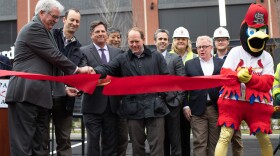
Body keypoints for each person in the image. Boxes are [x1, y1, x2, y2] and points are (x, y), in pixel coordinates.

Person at [5, 0, 93, 155]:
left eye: (58, 17)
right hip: (25, 95)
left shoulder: (46, 32)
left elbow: (51, 67)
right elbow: (55, 56)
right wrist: (78, 70)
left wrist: (64, 89)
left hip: (41, 98)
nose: (56, 20)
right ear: (41, 13)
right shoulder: (34, 28)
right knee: (23, 147)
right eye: (53, 16)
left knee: (40, 148)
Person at [93, 27, 170, 156]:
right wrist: (93, 71)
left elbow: (166, 79)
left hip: (156, 109)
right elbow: (107, 68)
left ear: (143, 40)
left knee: (157, 147)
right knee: (137, 148)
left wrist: (160, 97)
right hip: (133, 110)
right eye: (131, 42)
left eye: (137, 41)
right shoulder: (122, 59)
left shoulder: (156, 57)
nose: (134, 45)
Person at [215, 4, 274, 156]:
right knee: (225, 136)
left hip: (256, 105)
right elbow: (225, 73)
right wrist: (237, 75)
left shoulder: (267, 57)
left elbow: (267, 83)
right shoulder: (235, 52)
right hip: (233, 102)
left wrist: (249, 79)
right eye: (253, 31)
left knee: (264, 139)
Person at [81, 20, 122, 156]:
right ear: (91, 35)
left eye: (103, 31)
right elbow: (84, 76)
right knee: (93, 144)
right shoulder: (83, 51)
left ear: (107, 34)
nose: (100, 34)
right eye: (97, 32)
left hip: (112, 106)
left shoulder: (118, 52)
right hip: (92, 106)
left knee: (110, 144)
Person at [48, 8, 85, 156]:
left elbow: (80, 74)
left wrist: (80, 88)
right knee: (42, 139)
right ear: (64, 20)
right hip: (45, 94)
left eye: (77, 21)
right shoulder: (50, 35)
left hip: (65, 101)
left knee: (64, 141)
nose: (74, 23)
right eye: (72, 20)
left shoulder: (79, 48)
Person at [183, 35, 224, 156]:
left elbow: (225, 86)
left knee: (215, 143)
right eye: (199, 47)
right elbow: (184, 88)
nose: (201, 49)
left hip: (216, 109)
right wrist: (185, 106)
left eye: (204, 47)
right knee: (199, 143)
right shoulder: (189, 64)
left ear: (211, 47)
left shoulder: (220, 63)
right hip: (196, 110)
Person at [213, 26, 244, 156]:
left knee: (236, 139)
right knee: (217, 139)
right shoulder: (210, 60)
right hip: (215, 104)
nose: (220, 42)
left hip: (233, 104)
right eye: (218, 40)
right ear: (214, 42)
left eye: (223, 39)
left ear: (228, 41)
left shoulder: (236, 59)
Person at [154, 29, 185, 156]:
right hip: (155, 105)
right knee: (159, 140)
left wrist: (178, 100)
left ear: (168, 41)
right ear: (155, 41)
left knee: (175, 140)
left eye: (165, 39)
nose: (162, 41)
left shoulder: (175, 58)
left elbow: (182, 82)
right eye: (160, 39)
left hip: (173, 105)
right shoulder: (149, 57)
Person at [170, 26, 197, 156]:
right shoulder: (167, 57)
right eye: (178, 39)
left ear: (188, 41)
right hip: (172, 103)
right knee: (172, 138)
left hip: (190, 103)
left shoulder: (195, 57)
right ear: (174, 41)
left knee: (186, 137)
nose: (180, 41)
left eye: (183, 39)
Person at [106, 27, 128, 156]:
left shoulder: (124, 55)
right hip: (104, 105)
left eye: (118, 37)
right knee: (107, 141)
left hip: (120, 105)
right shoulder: (101, 56)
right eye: (113, 36)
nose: (116, 39)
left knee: (122, 139)